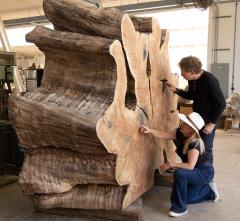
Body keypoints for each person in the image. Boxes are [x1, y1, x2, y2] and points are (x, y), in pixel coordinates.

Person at [140, 112, 219, 217]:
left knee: (180, 173)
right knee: (186, 197)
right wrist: (150, 131)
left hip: (204, 172)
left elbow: (190, 166)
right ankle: (208, 190)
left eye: (185, 123)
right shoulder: (181, 134)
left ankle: (179, 208)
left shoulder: (195, 143)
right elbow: (164, 134)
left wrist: (170, 164)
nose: (182, 123)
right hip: (193, 172)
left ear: (191, 129)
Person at [167, 56, 226, 167]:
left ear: (192, 72)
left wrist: (212, 124)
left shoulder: (210, 80)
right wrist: (176, 90)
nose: (181, 74)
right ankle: (190, 166)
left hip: (207, 122)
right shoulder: (192, 80)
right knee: (184, 139)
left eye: (183, 72)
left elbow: (221, 103)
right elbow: (191, 95)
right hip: (195, 119)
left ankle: (206, 175)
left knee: (205, 149)